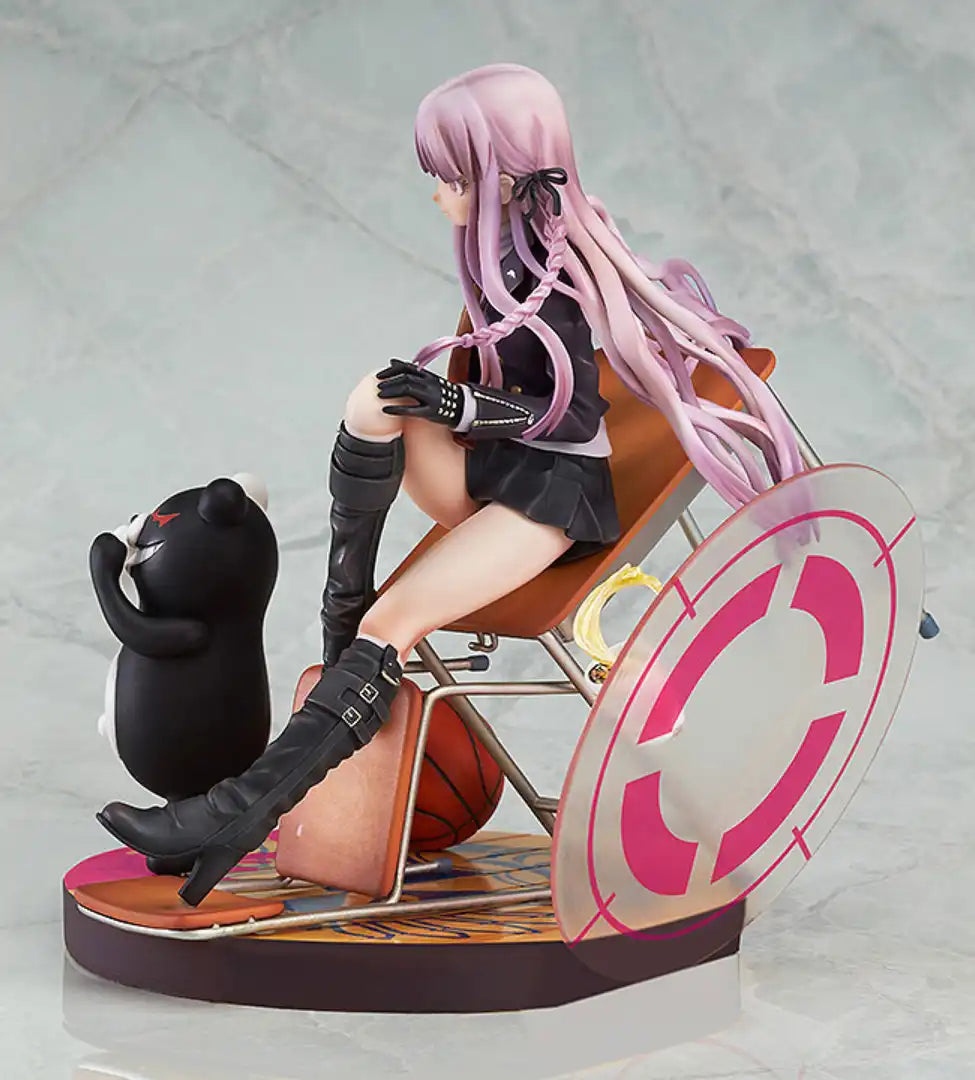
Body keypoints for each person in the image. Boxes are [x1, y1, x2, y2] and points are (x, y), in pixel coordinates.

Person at [96, 63, 803, 906]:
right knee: (375, 399)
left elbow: (571, 417)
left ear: (503, 176)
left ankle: (228, 816)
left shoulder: (553, 275)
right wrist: (433, 401)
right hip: (494, 472)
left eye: (452, 177)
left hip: (552, 497)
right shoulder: (500, 258)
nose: (437, 195)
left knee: (391, 625)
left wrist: (456, 402)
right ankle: (339, 632)